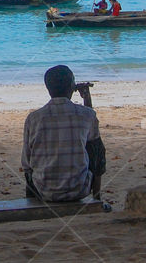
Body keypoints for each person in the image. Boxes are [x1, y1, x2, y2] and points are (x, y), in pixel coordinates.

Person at [22, 65, 105, 202]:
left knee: (30, 168)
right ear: (72, 86)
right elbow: (92, 140)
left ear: (48, 88)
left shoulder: (34, 118)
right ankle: (97, 197)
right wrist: (86, 98)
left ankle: (32, 203)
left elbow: (26, 162)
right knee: (96, 148)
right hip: (79, 189)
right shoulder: (87, 114)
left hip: (42, 190)